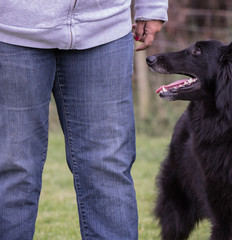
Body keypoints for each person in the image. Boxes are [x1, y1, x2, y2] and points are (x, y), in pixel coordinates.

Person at [0, 1, 167, 239]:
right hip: (12, 28)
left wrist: (152, 5)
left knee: (108, 167)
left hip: (104, 27)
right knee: (12, 167)